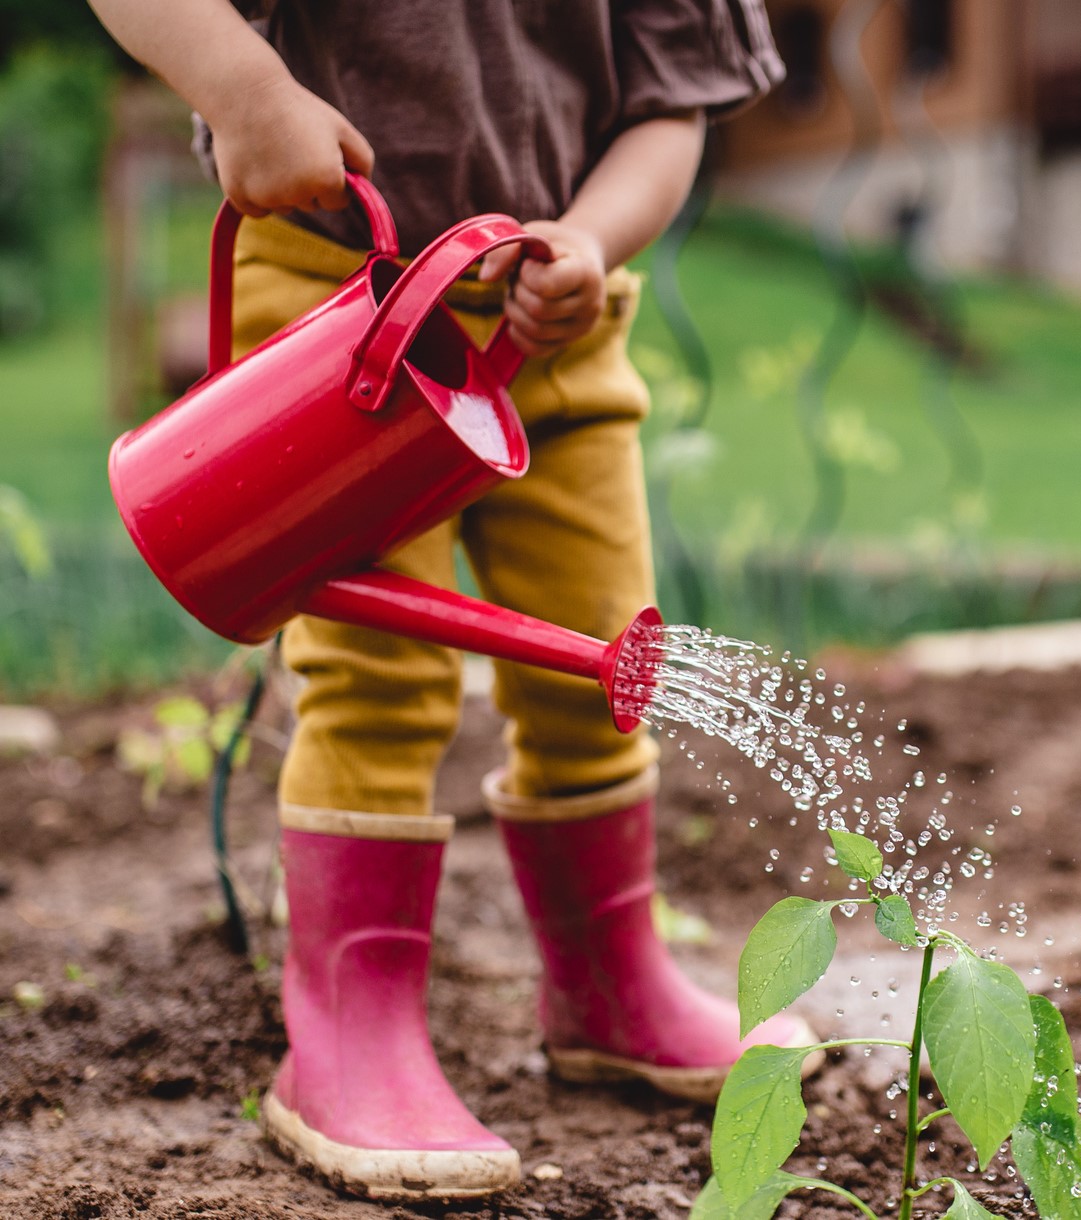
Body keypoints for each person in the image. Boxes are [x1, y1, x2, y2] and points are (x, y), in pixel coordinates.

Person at [86, 0, 813, 1201]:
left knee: (601, 661)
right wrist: (247, 92)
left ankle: (610, 978)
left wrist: (589, 236)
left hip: (557, 327)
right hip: (339, 310)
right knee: (381, 683)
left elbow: (670, 107)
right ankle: (347, 1029)